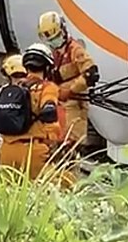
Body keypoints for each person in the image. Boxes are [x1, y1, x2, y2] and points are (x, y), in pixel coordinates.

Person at [0, 44, 63, 179]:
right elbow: (49, 112)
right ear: (47, 68)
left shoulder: (14, 88)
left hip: (6, 152)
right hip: (33, 153)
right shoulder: (48, 87)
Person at [37, 11, 99, 150]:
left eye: (56, 36)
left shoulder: (75, 49)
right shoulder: (54, 53)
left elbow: (91, 74)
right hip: (59, 107)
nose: (54, 41)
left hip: (75, 107)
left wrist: (70, 91)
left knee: (72, 146)